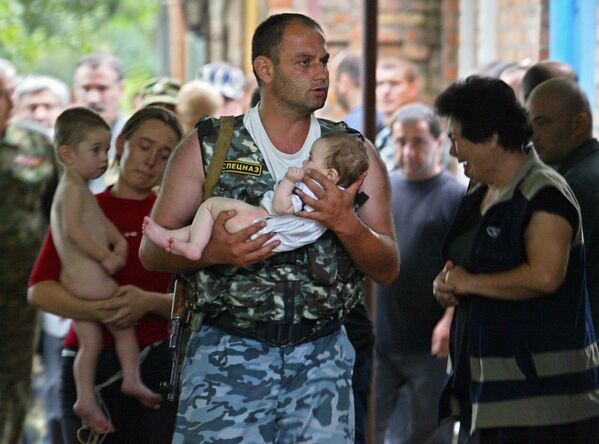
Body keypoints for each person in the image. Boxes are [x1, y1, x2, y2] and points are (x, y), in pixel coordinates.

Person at [140, 12, 400, 443]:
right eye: (305, 62)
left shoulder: (352, 152)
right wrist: (214, 252)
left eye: (324, 61)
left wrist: (344, 222)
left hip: (322, 359)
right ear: (266, 69)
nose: (321, 73)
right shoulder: (211, 146)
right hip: (226, 355)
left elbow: (388, 266)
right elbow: (152, 253)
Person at [432, 75, 599, 442]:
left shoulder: (545, 194)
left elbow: (545, 276)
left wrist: (470, 283)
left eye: (458, 140)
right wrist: (446, 286)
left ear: (492, 138)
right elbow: (463, 264)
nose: (453, 153)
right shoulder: (479, 192)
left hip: (544, 406)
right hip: (484, 395)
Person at [28, 106, 183, 443]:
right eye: (144, 146)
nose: (150, 160)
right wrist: (95, 311)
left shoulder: (176, 218)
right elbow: (40, 289)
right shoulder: (83, 204)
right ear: (121, 143)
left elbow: (199, 302)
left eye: (164, 154)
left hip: (153, 360)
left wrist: (149, 302)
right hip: (89, 361)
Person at [375, 103, 465, 444]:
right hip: (383, 335)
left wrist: (449, 319)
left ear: (439, 143)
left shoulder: (454, 197)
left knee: (429, 432)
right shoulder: (386, 188)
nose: (408, 152)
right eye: (400, 142)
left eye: (418, 142)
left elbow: (464, 265)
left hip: (429, 342)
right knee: (374, 427)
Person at [143, 132, 368, 259]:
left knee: (210, 207)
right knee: (207, 224)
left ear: (330, 174)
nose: (304, 162)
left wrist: (289, 181)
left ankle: (193, 247)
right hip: (268, 234)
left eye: (311, 158)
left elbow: (281, 206)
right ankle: (172, 237)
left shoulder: (313, 191)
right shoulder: (339, 199)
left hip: (260, 224)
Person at [1, 60, 58, 444]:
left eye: (11, 91)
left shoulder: (35, 145)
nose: (9, 100)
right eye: (2, 92)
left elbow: (57, 210)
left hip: (19, 291)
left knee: (15, 376)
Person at [527, 77, 599, 334]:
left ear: (579, 124)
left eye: (543, 123)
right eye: (530, 124)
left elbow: (554, 275)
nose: (533, 136)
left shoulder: (573, 187)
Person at [73, 53, 128, 193]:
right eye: (86, 88)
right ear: (75, 91)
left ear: (121, 90)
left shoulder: (138, 138)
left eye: (102, 88)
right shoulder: (56, 140)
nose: (93, 98)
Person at [375, 57, 421, 171]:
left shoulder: (422, 130)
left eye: (394, 84)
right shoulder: (375, 129)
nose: (385, 91)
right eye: (379, 84)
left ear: (413, 88)